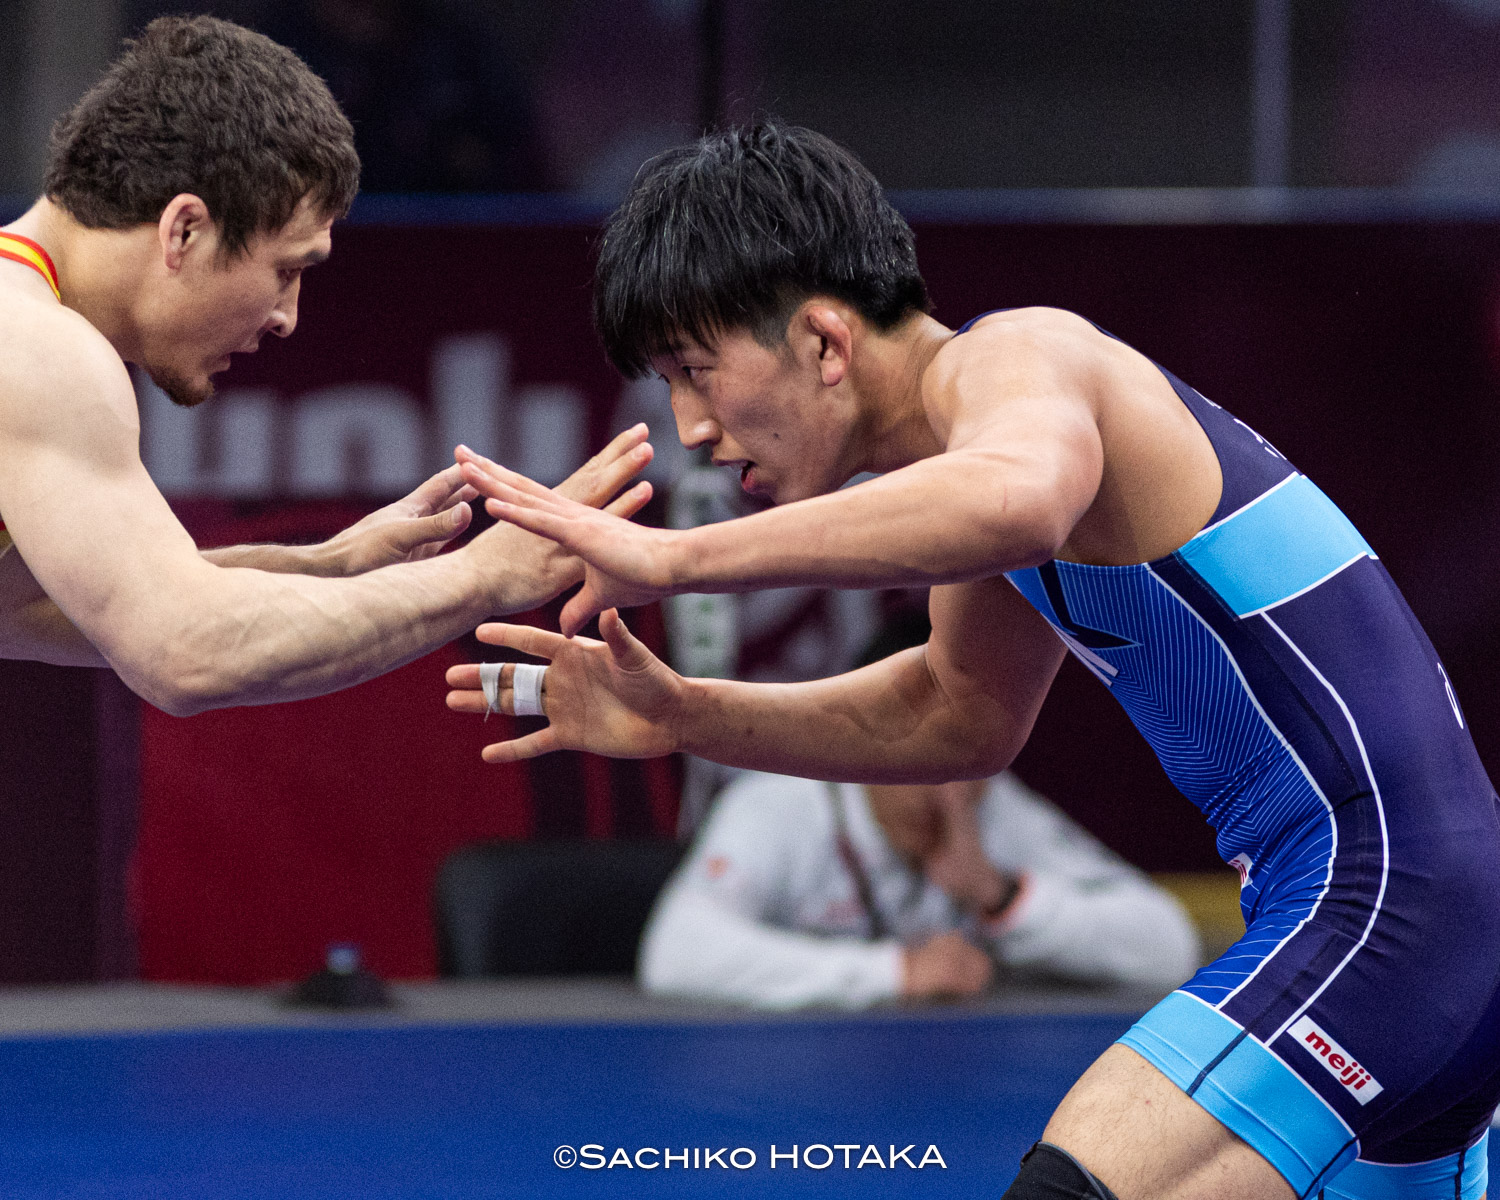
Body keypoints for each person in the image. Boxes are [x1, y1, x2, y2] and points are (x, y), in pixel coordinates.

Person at [448, 121, 1500, 1199]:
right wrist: (684, 714)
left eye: (695, 372)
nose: (691, 428)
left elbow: (1016, 501)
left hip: (1384, 909)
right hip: (1410, 925)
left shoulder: (1023, 354)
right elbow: (955, 717)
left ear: (823, 341)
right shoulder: (979, 467)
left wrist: (671, 559)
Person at [0, 16, 651, 714]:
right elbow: (182, 650)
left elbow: (28, 609)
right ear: (184, 228)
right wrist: (485, 575)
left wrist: (323, 565)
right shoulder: (41, 349)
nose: (288, 317)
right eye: (286, 269)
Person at [638, 765, 1200, 1010]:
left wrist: (1002, 897)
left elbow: (1169, 947)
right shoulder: (777, 804)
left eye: (968, 755)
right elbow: (676, 952)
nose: (947, 790)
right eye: (924, 755)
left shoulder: (996, 807)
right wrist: (896, 974)